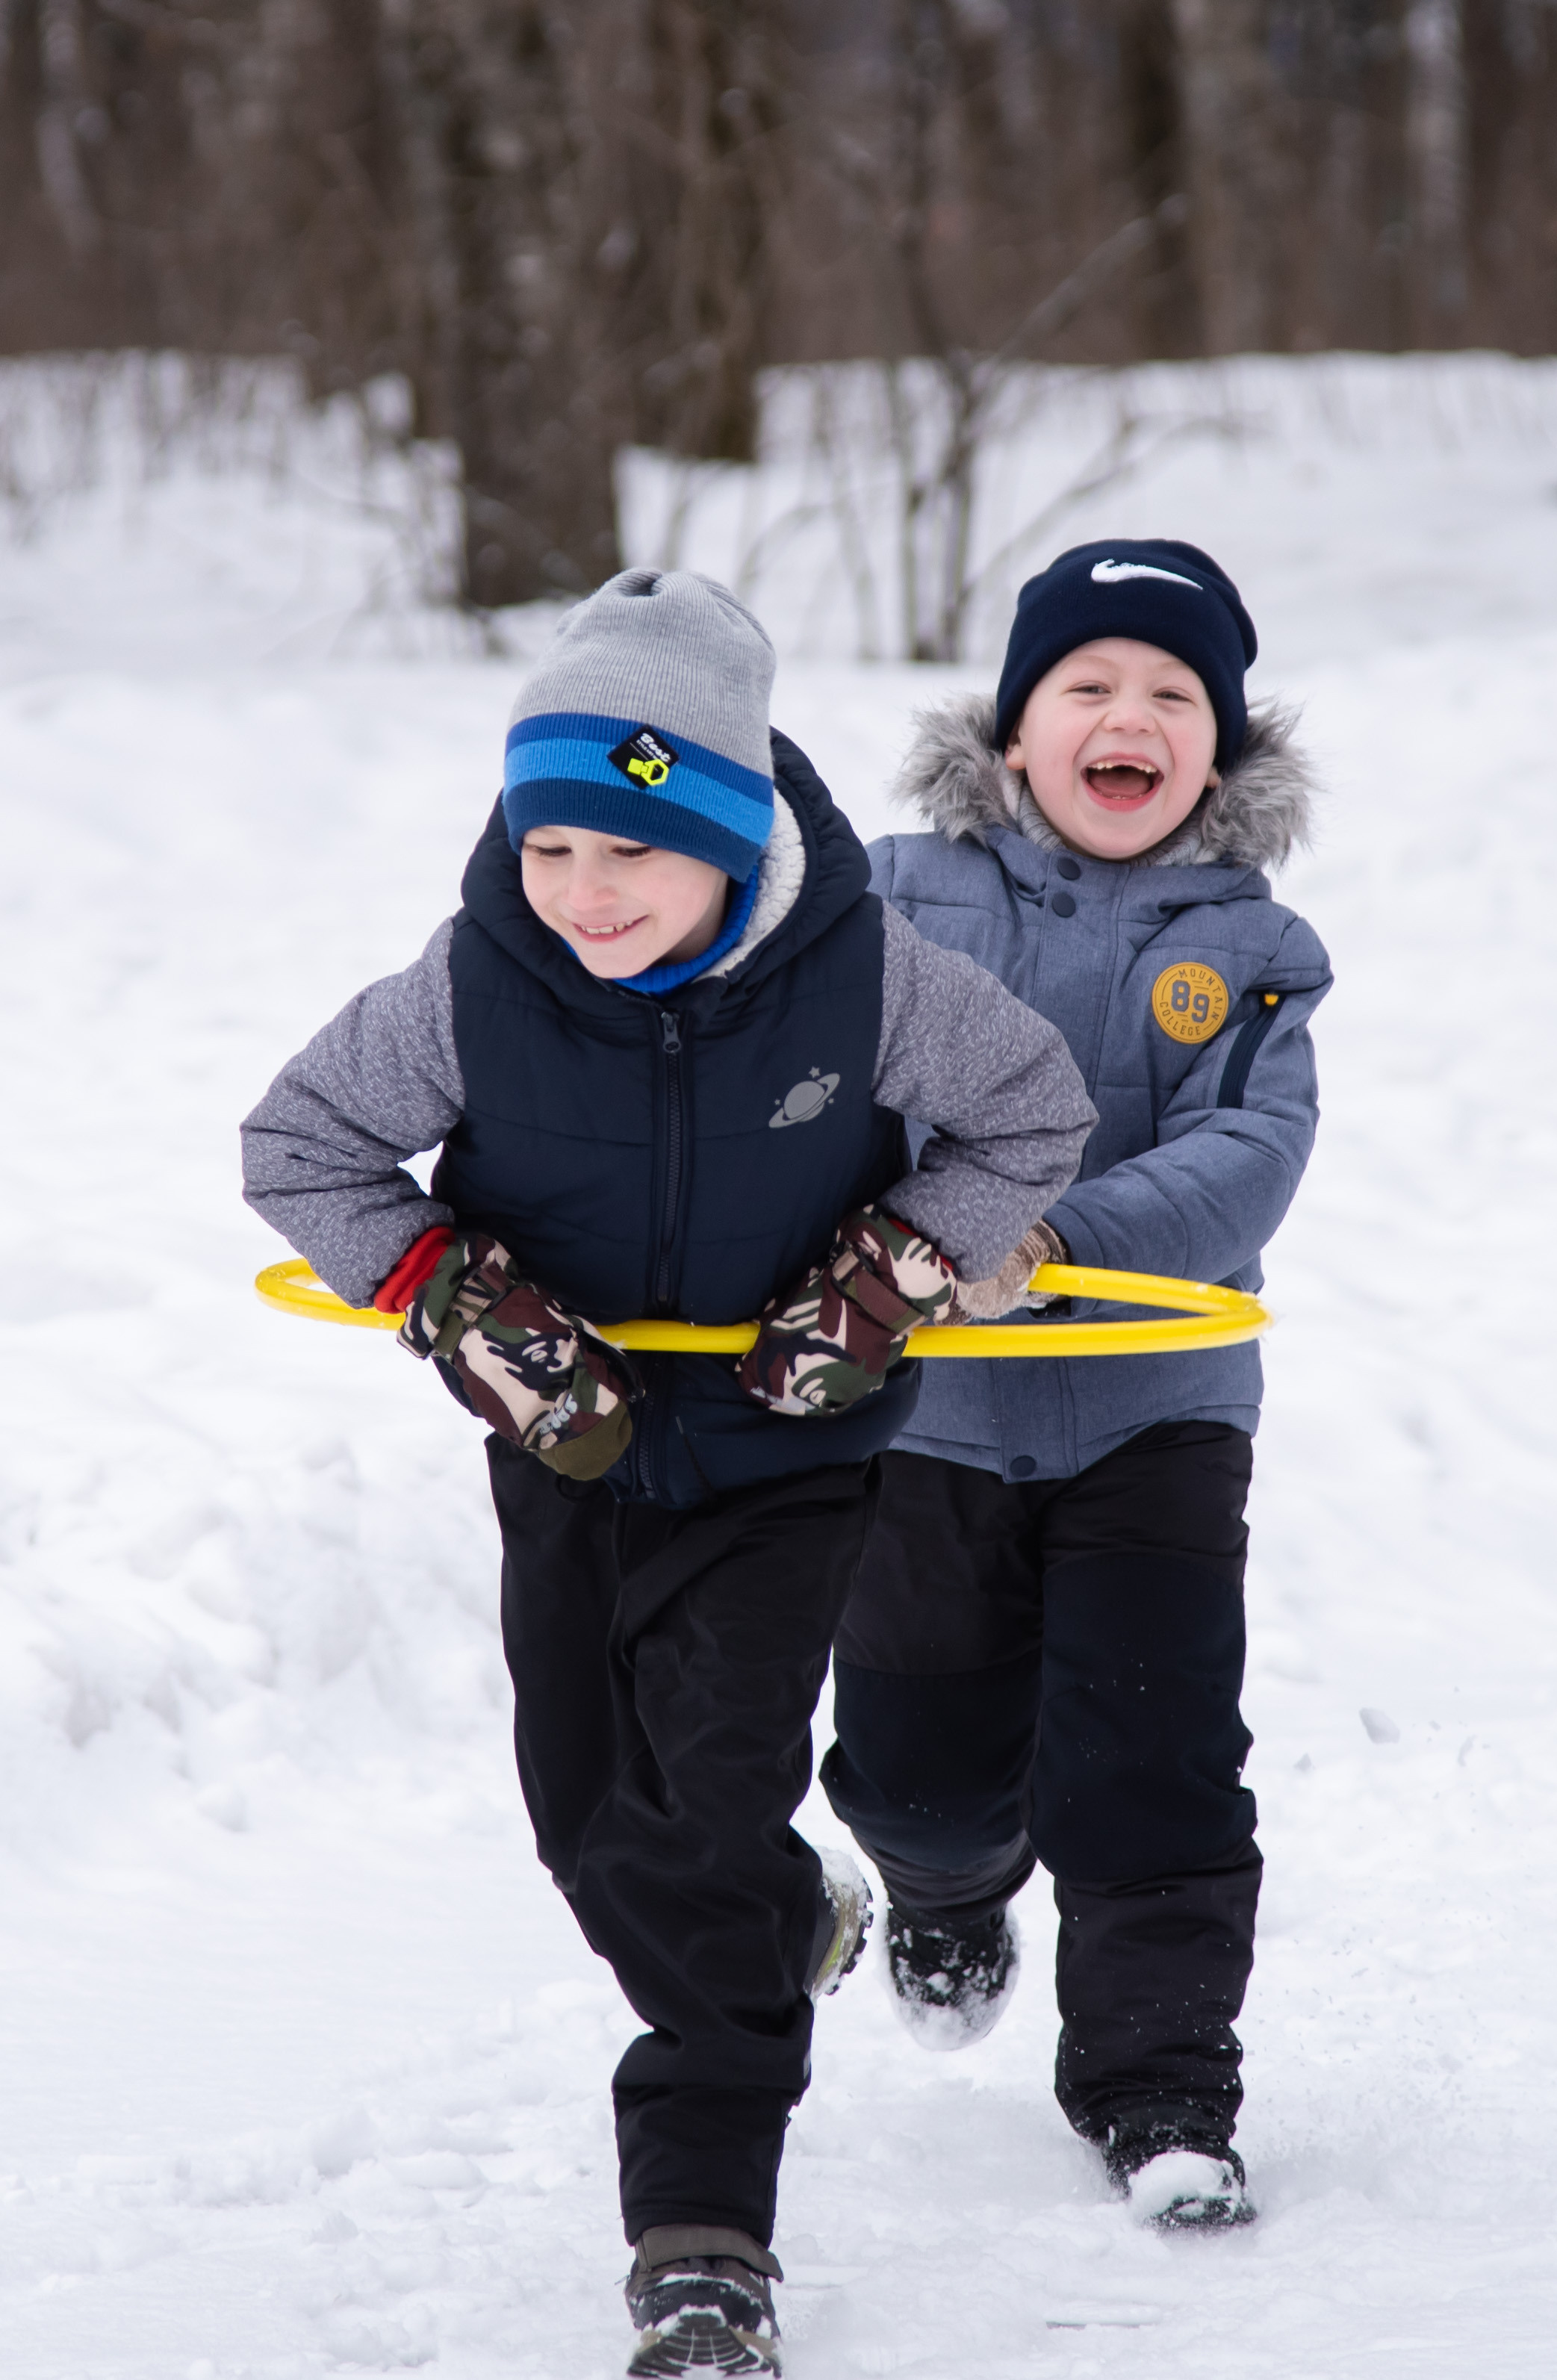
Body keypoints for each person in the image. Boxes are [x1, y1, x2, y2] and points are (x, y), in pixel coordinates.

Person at [240, 568, 1096, 2376]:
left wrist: (893, 1272)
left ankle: (704, 2234)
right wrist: (457, 1297)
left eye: (630, 850)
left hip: (788, 1457)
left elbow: (1033, 1113)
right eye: (550, 846)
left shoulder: (868, 980)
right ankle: (790, 1919)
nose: (585, 892)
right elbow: (300, 1144)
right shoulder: (473, 987)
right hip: (574, 1454)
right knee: (587, 1811)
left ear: (731, 835)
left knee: (699, 1805)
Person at [820, 538, 1332, 2231]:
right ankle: (946, 1880)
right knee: (912, 1757)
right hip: (932, 1408)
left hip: (1154, 1405)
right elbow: (808, 1090)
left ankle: (1162, 2086)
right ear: (1017, 729)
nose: (1131, 716)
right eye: (1088, 685)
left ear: (1222, 747)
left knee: (1153, 1754)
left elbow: (1251, 1151)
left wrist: (1043, 1232)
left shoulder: (1250, 945)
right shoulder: (889, 895)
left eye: (1175, 695)